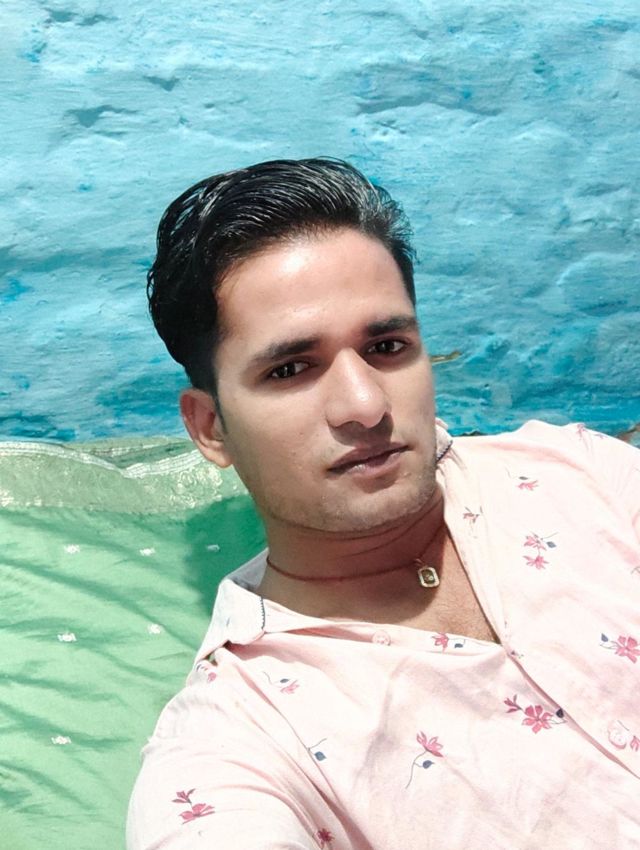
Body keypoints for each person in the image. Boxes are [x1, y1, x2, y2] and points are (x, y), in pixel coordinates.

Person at [127, 158, 640, 850]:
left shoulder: (582, 476)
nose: (365, 406)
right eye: (290, 369)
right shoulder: (239, 742)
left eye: (387, 346)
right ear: (211, 428)